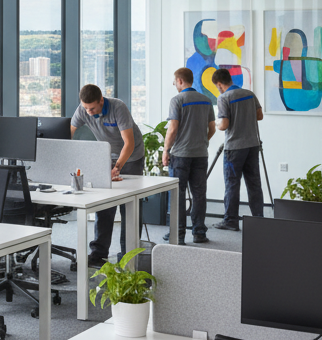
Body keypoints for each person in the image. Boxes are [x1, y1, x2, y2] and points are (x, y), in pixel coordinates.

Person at [70, 84, 145, 268]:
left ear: (101, 101)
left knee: (130, 205)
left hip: (131, 156)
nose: (89, 112)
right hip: (107, 155)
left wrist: (117, 167)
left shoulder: (118, 108)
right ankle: (99, 253)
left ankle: (127, 255)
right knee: (105, 206)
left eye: (92, 108)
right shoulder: (83, 110)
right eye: (86, 108)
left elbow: (129, 143)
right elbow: (68, 134)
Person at [161, 67, 215, 244]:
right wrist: (202, 141)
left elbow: (172, 129)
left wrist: (166, 150)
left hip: (180, 155)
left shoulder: (177, 100)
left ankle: (178, 234)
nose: (174, 85)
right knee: (199, 194)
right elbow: (212, 128)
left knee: (177, 194)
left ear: (180, 81)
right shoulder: (206, 100)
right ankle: (199, 232)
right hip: (200, 154)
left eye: (174, 81)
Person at [210, 68, 264, 230]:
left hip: (234, 148)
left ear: (219, 84)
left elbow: (224, 125)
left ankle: (231, 221)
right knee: (254, 183)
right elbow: (259, 116)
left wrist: (216, 124)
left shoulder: (224, 98)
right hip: (252, 145)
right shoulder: (249, 94)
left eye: (217, 86)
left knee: (232, 184)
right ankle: (259, 218)